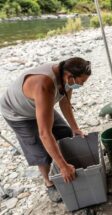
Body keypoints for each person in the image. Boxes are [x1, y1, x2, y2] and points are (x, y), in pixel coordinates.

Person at [0, 57, 91, 202]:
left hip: (39, 105)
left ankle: (65, 163)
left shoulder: (66, 78)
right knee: (41, 153)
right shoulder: (45, 85)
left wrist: (75, 128)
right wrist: (63, 167)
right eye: (82, 82)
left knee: (66, 133)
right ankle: (49, 183)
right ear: (69, 76)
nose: (82, 85)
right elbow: (44, 133)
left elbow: (65, 103)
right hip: (18, 113)